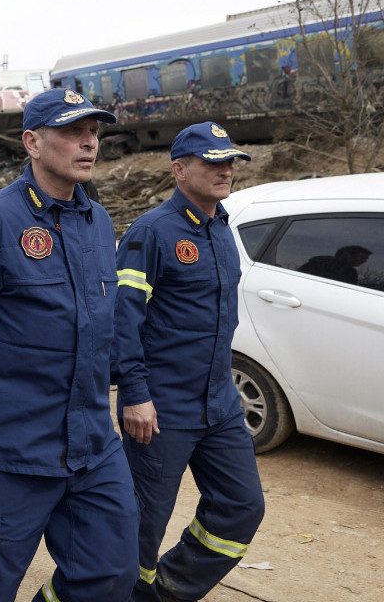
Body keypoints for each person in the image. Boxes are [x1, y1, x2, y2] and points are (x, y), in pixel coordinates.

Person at [0, 88, 139, 602]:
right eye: (73, 131)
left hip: (92, 443)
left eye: (93, 132)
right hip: (11, 451)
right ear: (32, 142)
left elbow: (103, 327)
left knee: (112, 573)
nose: (88, 142)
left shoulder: (98, 222)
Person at [114, 121, 265, 602]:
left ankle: (166, 592)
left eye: (230, 163)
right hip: (161, 410)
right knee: (140, 527)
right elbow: (123, 322)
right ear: (179, 170)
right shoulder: (152, 232)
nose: (226, 172)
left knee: (242, 506)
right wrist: (135, 395)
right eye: (212, 162)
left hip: (219, 405)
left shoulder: (223, 227)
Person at [298, 245, 371, 284]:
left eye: (365, 259)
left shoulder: (351, 273)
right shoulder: (319, 264)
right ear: (346, 255)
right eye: (361, 257)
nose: (363, 261)